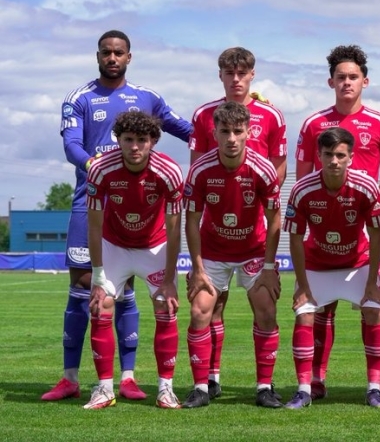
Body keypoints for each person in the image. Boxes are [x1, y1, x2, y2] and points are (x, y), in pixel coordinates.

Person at [46, 30, 191, 402]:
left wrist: (223, 135)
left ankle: (126, 377)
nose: (112, 58)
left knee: (127, 292)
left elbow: (187, 130)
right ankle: (70, 377)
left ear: (129, 57)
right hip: (91, 200)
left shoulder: (148, 98)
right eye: (106, 53)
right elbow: (71, 145)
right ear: (98, 56)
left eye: (119, 53)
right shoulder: (80, 97)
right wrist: (95, 164)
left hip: (141, 206)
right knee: (84, 286)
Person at [295, 44, 380, 400]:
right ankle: (317, 378)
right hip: (323, 232)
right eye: (341, 77)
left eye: (353, 77)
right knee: (321, 310)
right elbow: (304, 176)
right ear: (331, 81)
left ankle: (377, 382)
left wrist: (365, 212)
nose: (347, 83)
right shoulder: (313, 124)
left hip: (364, 228)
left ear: (365, 81)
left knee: (373, 305)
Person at [188, 47, 287, 399]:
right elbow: (196, 181)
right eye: (229, 73)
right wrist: (196, 264)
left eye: (242, 72)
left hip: (252, 240)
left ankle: (265, 386)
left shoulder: (272, 116)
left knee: (265, 307)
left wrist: (271, 262)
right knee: (207, 309)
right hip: (214, 242)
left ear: (252, 74)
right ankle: (206, 382)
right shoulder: (202, 115)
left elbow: (277, 172)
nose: (236, 79)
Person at [82, 111, 184, 409]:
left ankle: (166, 389)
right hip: (114, 245)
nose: (135, 146)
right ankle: (104, 389)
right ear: (118, 140)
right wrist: (98, 274)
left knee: (166, 306)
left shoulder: (169, 171)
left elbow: (174, 227)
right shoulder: (100, 169)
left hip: (154, 248)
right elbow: (94, 223)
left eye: (142, 140)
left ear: (153, 141)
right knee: (100, 306)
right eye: (129, 139)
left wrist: (169, 277)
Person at [284, 127, 380, 409]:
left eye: (340, 155)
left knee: (373, 310)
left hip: (358, 264)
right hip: (317, 264)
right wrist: (303, 286)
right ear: (318, 156)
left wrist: (372, 283)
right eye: (328, 154)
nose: (334, 161)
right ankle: (306, 388)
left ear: (351, 157)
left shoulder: (366, 186)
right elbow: (295, 237)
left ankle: (374, 388)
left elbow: (377, 234)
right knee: (305, 316)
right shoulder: (302, 189)